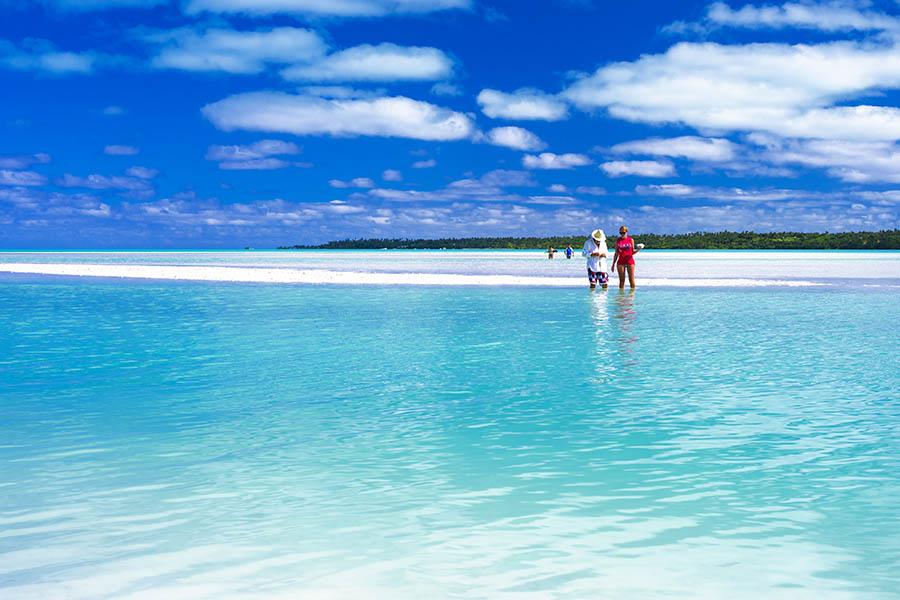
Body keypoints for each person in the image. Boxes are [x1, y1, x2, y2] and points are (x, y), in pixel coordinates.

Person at [612, 225, 644, 289]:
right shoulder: (618, 240)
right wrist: (613, 264)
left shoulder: (630, 240)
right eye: (620, 233)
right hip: (621, 262)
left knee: (631, 280)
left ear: (626, 232)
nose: (622, 234)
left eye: (623, 233)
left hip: (630, 261)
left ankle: (632, 294)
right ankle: (621, 294)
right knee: (621, 281)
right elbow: (616, 253)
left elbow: (632, 252)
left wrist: (638, 249)